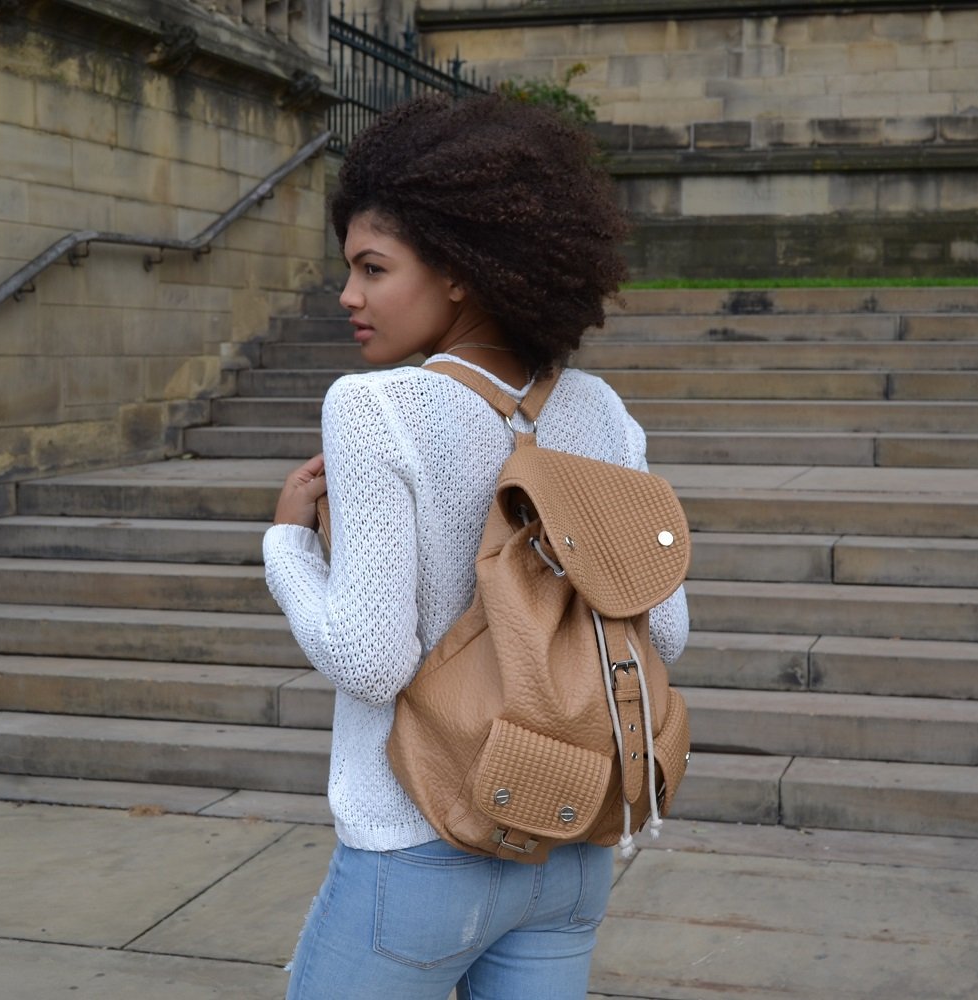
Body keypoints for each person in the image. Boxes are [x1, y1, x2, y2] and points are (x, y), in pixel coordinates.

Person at [261, 93, 690, 1000]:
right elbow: (667, 633)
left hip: (421, 851)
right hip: (569, 841)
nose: (349, 296)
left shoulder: (377, 408)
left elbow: (374, 662)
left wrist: (288, 549)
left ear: (459, 271)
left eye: (374, 269)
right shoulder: (600, 413)